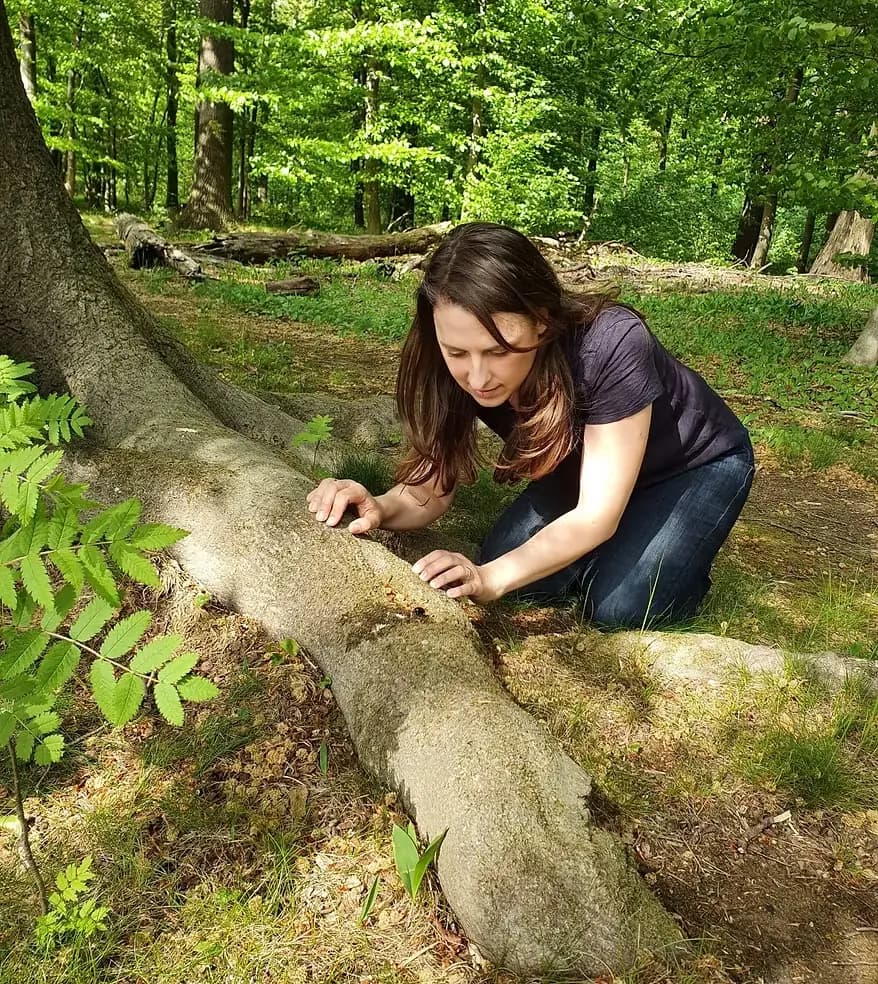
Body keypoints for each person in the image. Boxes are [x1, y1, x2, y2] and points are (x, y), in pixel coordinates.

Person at [306, 222, 754, 629]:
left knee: (622, 607)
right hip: (585, 467)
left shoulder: (611, 343)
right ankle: (625, 546)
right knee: (509, 562)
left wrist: (488, 579)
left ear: (541, 320)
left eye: (500, 351)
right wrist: (379, 508)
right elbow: (427, 491)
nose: (477, 378)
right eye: (458, 353)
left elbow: (596, 515)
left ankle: (678, 562)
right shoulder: (448, 359)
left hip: (695, 465)